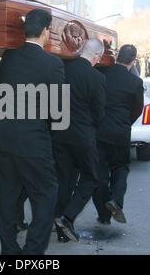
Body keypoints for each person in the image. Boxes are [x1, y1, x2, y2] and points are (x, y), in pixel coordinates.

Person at [0, 9, 65, 255]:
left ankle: (9, 251)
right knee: (45, 195)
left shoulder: (8, 57)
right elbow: (58, 110)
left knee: (5, 198)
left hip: (2, 138)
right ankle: (32, 253)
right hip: (34, 141)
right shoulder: (53, 64)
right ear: (45, 31)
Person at [53, 39, 106, 242]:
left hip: (59, 133)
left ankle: (60, 227)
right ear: (96, 56)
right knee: (91, 177)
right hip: (83, 135)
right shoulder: (97, 77)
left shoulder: (62, 68)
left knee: (64, 180)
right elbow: (99, 113)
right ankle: (68, 217)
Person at [92, 44, 144, 224]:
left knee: (100, 174)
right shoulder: (136, 82)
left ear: (117, 56)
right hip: (120, 132)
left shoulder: (102, 74)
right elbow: (138, 109)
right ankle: (116, 200)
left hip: (99, 131)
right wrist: (125, 122)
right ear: (133, 61)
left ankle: (103, 215)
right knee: (121, 167)